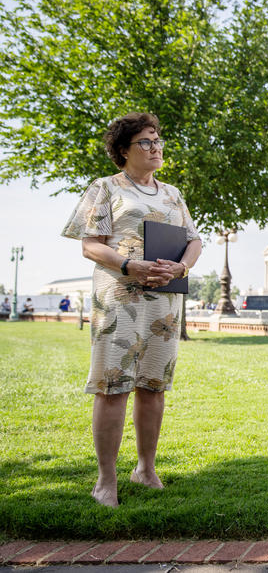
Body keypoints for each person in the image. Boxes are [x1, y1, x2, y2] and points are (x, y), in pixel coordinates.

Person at [61, 112, 202, 507]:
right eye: (146, 141)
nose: (155, 147)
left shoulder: (173, 194)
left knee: (153, 386)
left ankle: (145, 468)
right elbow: (90, 244)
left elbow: (194, 240)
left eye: (158, 141)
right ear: (123, 150)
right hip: (121, 297)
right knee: (112, 386)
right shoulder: (105, 188)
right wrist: (128, 265)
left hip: (165, 299)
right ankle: (106, 480)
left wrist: (184, 266)